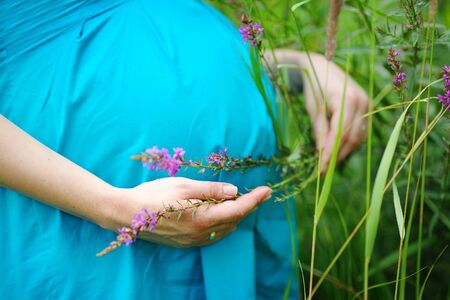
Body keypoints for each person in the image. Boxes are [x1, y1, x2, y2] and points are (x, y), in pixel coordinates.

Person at [0, 0, 368, 299]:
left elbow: (152, 30)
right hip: (88, 217)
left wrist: (301, 68)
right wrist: (111, 206)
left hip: (236, 234)